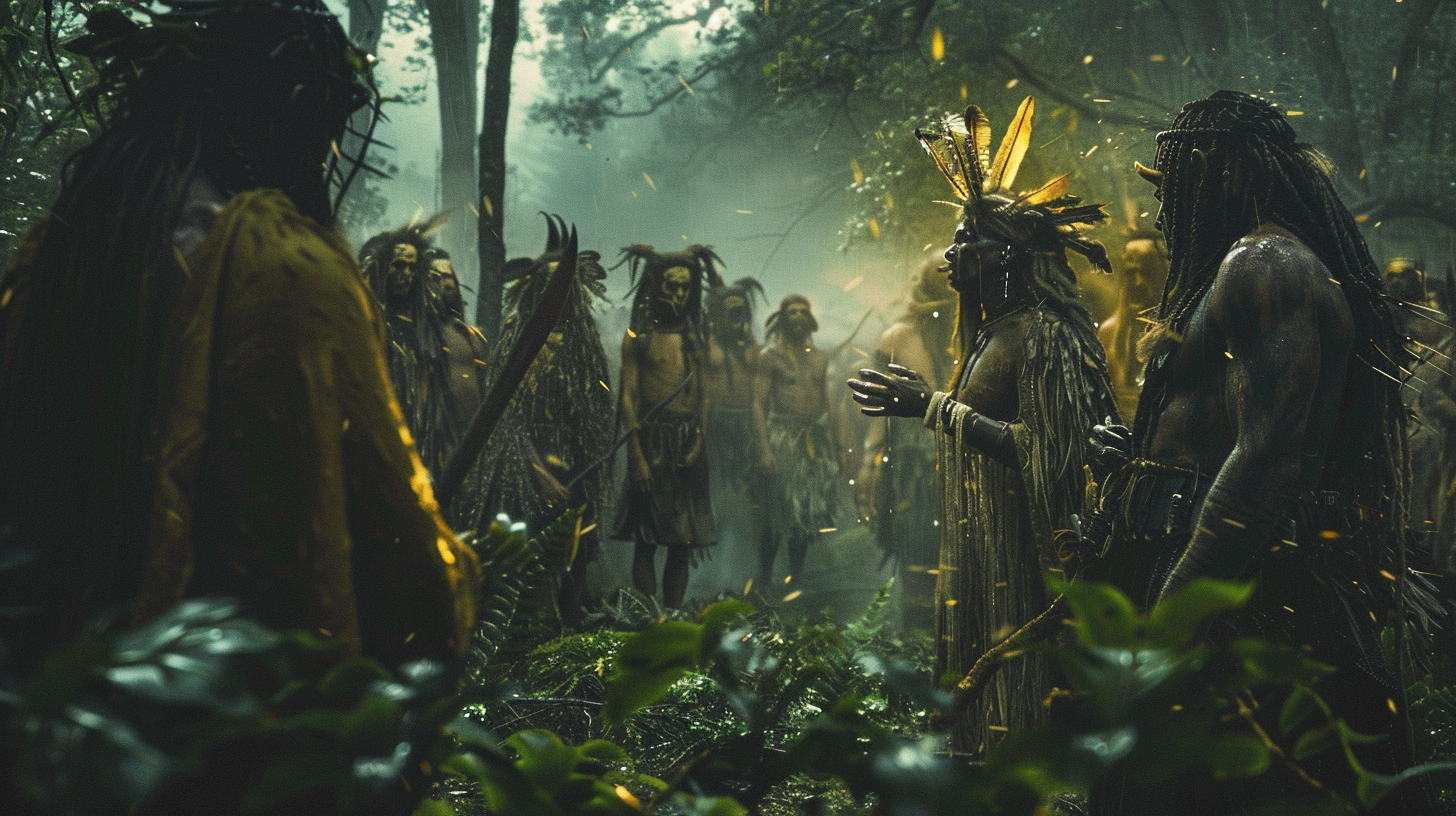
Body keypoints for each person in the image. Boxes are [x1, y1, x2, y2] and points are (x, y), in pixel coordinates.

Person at [0, 3, 479, 807]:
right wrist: (454, 577)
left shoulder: (58, 257)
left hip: (51, 714)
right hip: (219, 731)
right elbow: (386, 582)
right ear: (290, 103)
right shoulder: (285, 270)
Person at [1091, 91, 1425, 813]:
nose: (1159, 214)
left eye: (1175, 188)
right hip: (1220, 571)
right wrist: (1141, 456)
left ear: (1229, 174)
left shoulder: (1266, 264)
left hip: (1248, 589)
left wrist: (1175, 620)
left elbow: (1268, 461)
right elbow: (1222, 430)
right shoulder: (1244, 267)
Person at [848, 96, 1118, 754]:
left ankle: (1015, 769)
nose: (953, 252)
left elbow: (1049, 456)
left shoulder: (1041, 335)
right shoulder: (992, 331)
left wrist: (931, 407)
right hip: (981, 543)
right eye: (960, 236)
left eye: (974, 240)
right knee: (979, 670)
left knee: (1016, 671)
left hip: (1023, 550)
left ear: (1010, 257)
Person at [461, 220, 614, 621]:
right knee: (526, 546)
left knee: (578, 546)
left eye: (564, 284)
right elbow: (506, 417)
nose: (558, 293)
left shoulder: (585, 342)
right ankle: (523, 631)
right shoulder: (519, 338)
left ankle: (568, 629)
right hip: (527, 457)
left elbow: (598, 411)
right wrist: (537, 471)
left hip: (576, 458)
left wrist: (592, 463)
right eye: (548, 283)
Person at [611, 245, 723, 607]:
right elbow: (627, 397)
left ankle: (672, 617)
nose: (678, 294)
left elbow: (705, 397)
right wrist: (637, 456)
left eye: (685, 288)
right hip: (651, 439)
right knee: (647, 538)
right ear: (654, 286)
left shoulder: (695, 339)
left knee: (682, 539)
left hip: (687, 441)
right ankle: (647, 615)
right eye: (671, 286)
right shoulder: (638, 339)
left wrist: (699, 443)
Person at [857, 260, 957, 628]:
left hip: (963, 460)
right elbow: (880, 416)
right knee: (917, 553)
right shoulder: (898, 338)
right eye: (940, 273)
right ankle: (917, 637)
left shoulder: (974, 332)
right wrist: (870, 461)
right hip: (915, 468)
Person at [358, 213, 463, 476]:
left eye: (412, 267)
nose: (406, 274)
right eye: (398, 265)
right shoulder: (366, 325)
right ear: (382, 268)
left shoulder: (427, 330)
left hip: (421, 444)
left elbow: (438, 394)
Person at [753, 295, 847, 587]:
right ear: (782, 318)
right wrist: (764, 448)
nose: (796, 315)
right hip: (782, 439)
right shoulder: (769, 357)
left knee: (804, 515)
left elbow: (831, 404)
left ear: (810, 318)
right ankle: (765, 580)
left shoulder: (821, 357)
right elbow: (758, 403)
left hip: (814, 441)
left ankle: (796, 580)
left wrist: (839, 448)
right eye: (790, 311)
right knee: (777, 512)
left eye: (802, 311)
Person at [705, 277, 767, 588]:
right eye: (730, 311)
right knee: (712, 499)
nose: (737, 316)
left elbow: (756, 400)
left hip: (745, 429)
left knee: (750, 501)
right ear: (716, 314)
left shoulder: (755, 349)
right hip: (714, 428)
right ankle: (708, 576)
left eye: (741, 310)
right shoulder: (707, 347)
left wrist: (764, 446)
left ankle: (746, 575)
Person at [1097, 226, 1168, 422]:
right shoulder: (1108, 333)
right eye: (1131, 272)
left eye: (1147, 272)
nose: (1137, 283)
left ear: (1164, 273)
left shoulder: (1179, 334)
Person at [424, 248, 490, 428]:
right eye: (436, 278)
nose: (445, 284)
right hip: (437, 435)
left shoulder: (472, 336)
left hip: (473, 433)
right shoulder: (421, 335)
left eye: (448, 276)